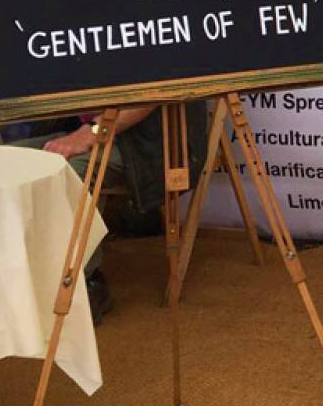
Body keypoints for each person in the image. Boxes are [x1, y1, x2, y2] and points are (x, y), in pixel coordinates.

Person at [16, 103, 210, 321]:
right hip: (90, 129)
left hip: (150, 145)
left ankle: (86, 284)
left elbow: (153, 90)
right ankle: (18, 282)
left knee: (71, 172)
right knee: (8, 159)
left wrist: (91, 132)